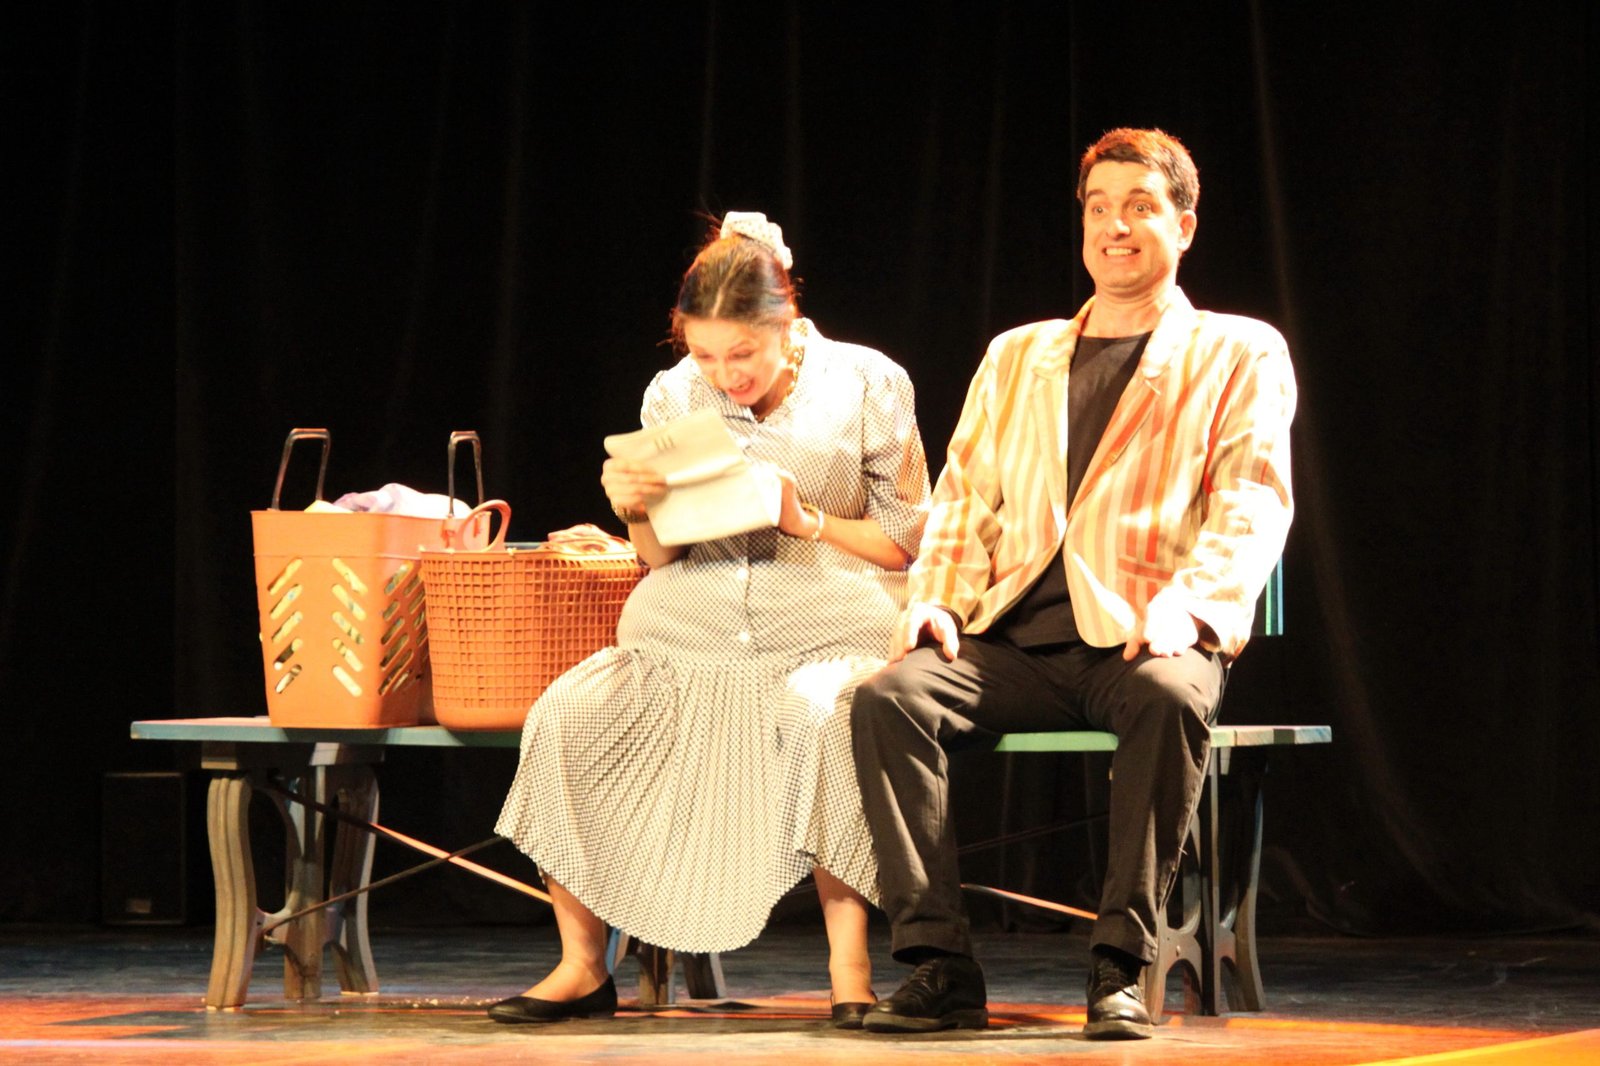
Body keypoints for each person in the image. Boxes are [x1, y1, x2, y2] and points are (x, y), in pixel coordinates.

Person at [850, 128, 1296, 1040]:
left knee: (1171, 696)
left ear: (1184, 225)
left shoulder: (1237, 351)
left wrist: (1191, 606)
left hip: (1140, 635)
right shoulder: (1020, 355)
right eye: (1099, 209)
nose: (1115, 227)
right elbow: (967, 495)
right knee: (889, 698)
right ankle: (940, 964)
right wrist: (934, 598)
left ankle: (1120, 965)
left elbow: (1251, 499)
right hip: (1014, 641)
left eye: (1140, 207)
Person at [490, 212, 931, 1028]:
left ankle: (850, 971)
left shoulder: (869, 383)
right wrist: (635, 510)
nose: (726, 375)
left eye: (743, 354)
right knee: (567, 715)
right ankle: (583, 966)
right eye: (705, 355)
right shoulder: (672, 394)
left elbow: (906, 542)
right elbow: (658, 556)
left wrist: (806, 521)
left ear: (787, 327)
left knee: (824, 718)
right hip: (686, 626)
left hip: (825, 624)